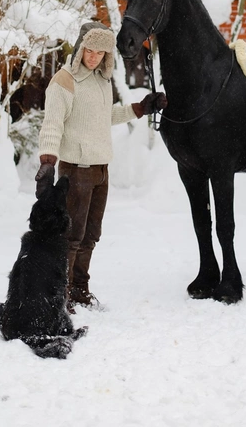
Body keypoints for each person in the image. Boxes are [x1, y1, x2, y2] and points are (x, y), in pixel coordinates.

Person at [35, 21, 167, 311]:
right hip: (75, 170)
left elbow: (104, 116)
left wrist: (140, 108)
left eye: (100, 52)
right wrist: (47, 161)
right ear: (80, 47)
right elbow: (52, 123)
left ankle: (80, 289)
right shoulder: (64, 80)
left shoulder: (101, 81)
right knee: (71, 237)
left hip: (100, 170)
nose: (93, 57)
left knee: (91, 235)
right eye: (89, 50)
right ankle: (61, 294)